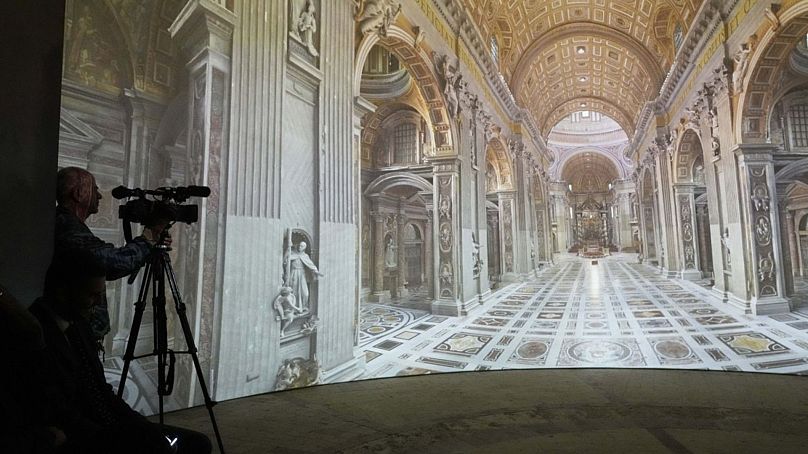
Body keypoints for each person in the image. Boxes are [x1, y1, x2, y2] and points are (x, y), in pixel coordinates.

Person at [28, 250, 211, 454]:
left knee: (197, 443)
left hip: (105, 425)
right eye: (92, 295)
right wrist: (119, 437)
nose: (98, 304)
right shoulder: (32, 333)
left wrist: (142, 427)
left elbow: (102, 391)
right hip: (77, 435)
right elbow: (56, 409)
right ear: (62, 291)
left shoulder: (78, 326)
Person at [54, 167, 165, 345]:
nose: (99, 196)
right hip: (72, 336)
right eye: (95, 190)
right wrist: (149, 236)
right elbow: (109, 263)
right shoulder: (67, 226)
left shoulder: (67, 223)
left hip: (75, 332)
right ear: (78, 193)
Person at [284, 241, 323, 311]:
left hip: (301, 274)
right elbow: (285, 261)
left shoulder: (305, 256)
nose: (299, 247)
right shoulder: (292, 253)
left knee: (305, 293)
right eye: (299, 245)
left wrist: (316, 271)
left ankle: (304, 306)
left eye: (302, 246)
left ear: (304, 248)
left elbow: (311, 265)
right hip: (293, 273)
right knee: (293, 291)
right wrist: (288, 249)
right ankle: (294, 308)